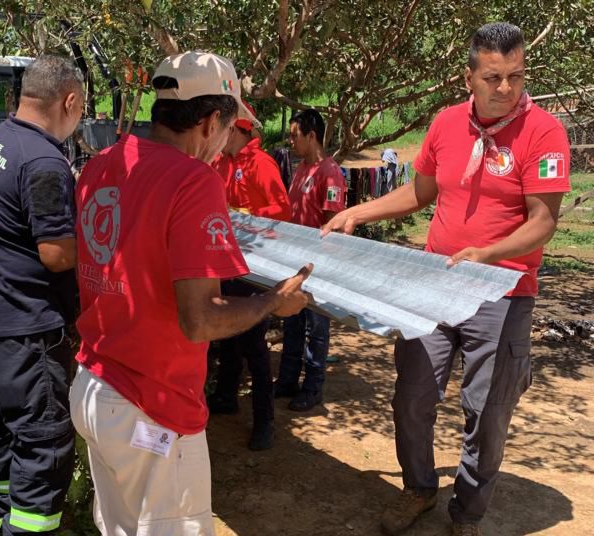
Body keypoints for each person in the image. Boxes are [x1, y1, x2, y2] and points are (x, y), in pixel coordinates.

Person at [322, 23, 571, 536]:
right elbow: (419, 194)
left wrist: (488, 253)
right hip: (434, 285)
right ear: (469, 77)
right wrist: (358, 213)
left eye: (516, 77)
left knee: (487, 410)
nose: (505, 89)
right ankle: (418, 489)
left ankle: (467, 515)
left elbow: (543, 221)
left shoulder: (544, 132)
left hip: (502, 292)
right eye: (493, 77)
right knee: (411, 394)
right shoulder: (446, 124)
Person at [69, 51, 313, 536]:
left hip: (95, 388)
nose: (225, 147)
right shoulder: (193, 180)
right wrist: (271, 302)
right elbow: (199, 320)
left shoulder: (103, 163)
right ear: (208, 121)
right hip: (152, 408)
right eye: (227, 130)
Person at [0, 55, 84, 535]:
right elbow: (56, 255)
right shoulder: (45, 162)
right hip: (26, 332)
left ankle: (2, 519)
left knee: (4, 433)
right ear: (69, 101)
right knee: (43, 445)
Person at [208, 102, 292, 450]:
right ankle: (226, 397)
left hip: (253, 267)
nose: (221, 136)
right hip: (224, 261)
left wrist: (248, 214)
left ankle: (264, 420)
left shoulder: (261, 164)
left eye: (227, 130)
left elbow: (283, 210)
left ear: (240, 130)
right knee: (225, 334)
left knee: (254, 345)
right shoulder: (220, 164)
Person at [275, 109, 346, 412]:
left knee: (316, 328)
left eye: (295, 136)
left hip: (317, 266)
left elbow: (332, 225)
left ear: (311, 136)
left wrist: (323, 266)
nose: (291, 141)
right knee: (292, 322)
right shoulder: (302, 168)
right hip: (296, 263)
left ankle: (313, 386)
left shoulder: (330, 174)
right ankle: (288, 380)